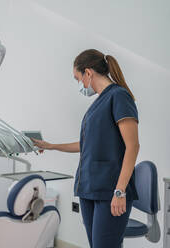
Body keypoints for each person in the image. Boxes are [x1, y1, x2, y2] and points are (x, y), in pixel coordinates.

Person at [32, 49, 140, 248]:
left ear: (88, 73)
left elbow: (132, 146)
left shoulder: (119, 96)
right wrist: (52, 146)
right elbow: (88, 144)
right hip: (90, 188)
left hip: (110, 190)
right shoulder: (99, 103)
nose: (80, 84)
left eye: (78, 78)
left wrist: (120, 191)